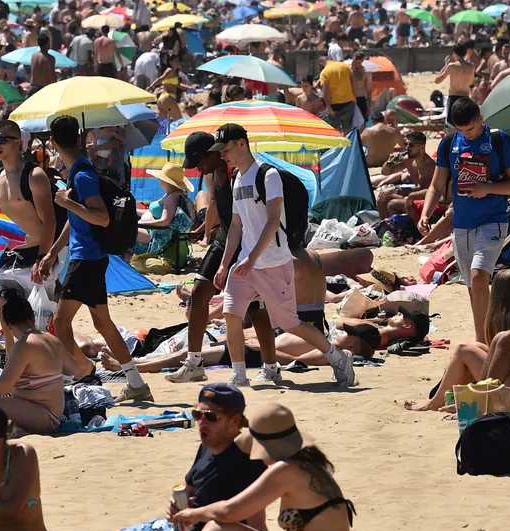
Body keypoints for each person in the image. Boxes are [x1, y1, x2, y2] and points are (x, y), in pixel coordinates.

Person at [74, 403, 355, 531]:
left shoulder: (287, 469)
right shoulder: (308, 467)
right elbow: (253, 515)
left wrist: (192, 514)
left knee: (221, 530)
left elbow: (231, 512)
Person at [211, 124, 356, 387]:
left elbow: (273, 220)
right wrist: (224, 264)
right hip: (246, 264)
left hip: (273, 263)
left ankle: (337, 357)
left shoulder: (269, 176)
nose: (223, 155)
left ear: (242, 144)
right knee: (231, 314)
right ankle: (239, 375)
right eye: (220, 151)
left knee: (289, 323)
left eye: (227, 149)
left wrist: (252, 258)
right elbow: (235, 226)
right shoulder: (236, 179)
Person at [60, 383, 268, 531]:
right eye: (197, 415)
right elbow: (189, 487)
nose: (201, 422)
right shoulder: (208, 444)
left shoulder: (247, 463)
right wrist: (176, 503)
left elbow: (257, 526)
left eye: (211, 417)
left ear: (234, 420)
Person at [38, 116, 151, 403]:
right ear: (79, 139)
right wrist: (53, 251)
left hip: (86, 259)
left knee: (61, 323)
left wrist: (67, 202)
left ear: (52, 142)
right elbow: (78, 219)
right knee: (102, 324)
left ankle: (82, 374)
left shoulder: (83, 176)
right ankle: (135, 382)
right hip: (89, 258)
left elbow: (100, 217)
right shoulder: (77, 172)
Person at [165, 132, 276, 385]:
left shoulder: (235, 173)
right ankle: (194, 363)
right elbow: (215, 203)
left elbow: (249, 216)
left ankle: (271, 367)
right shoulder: (213, 174)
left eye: (200, 161)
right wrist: (204, 228)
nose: (198, 167)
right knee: (199, 293)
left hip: (244, 243)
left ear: (215, 152)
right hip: (223, 238)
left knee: (256, 308)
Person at [417, 97, 510, 345]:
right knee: (472, 287)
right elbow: (436, 184)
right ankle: (486, 340)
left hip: (493, 220)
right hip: (462, 225)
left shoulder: (499, 140)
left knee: (478, 278)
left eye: (471, 129)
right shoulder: (449, 142)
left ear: (481, 119)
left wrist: (488, 188)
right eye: (462, 130)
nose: (467, 134)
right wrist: (426, 213)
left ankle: (488, 342)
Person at [404, 269, 510, 411]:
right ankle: (456, 396)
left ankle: (436, 402)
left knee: (463, 349)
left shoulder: (506, 321)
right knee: (475, 346)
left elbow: (502, 363)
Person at [0, 119, 61, 337]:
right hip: (9, 256)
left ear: (17, 142)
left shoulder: (34, 176)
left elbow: (50, 221)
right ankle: (14, 365)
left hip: (36, 254)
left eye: (2, 139)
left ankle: (52, 366)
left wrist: (42, 258)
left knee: (43, 322)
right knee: (6, 318)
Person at [0, 290, 76, 435]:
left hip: (44, 416)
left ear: (7, 322)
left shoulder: (25, 345)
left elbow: (2, 388)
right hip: (51, 413)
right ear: (32, 316)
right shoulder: (49, 339)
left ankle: (17, 432)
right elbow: (73, 369)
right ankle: (17, 431)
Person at [133, 162, 193, 256]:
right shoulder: (172, 194)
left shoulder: (172, 198)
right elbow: (155, 212)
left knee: (119, 228)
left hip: (153, 237)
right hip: (151, 231)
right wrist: (133, 211)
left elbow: (165, 221)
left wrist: (138, 224)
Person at [374, 131, 434, 219]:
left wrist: (395, 189)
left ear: (422, 147)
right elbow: (385, 172)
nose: (407, 148)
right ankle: (387, 227)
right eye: (406, 144)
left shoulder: (429, 166)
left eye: (411, 145)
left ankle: (397, 229)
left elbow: (422, 189)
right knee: (381, 198)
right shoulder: (408, 160)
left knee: (392, 204)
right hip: (412, 196)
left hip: (425, 201)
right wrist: (389, 162)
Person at [435, 42, 475, 127]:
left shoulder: (451, 66)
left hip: (454, 98)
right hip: (465, 98)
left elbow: (437, 80)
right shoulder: (471, 66)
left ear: (454, 53)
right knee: (465, 125)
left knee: (451, 127)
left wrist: (445, 65)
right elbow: (471, 83)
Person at [319, 58, 358, 134]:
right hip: (348, 102)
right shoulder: (345, 66)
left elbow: (325, 90)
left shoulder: (325, 72)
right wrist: (354, 96)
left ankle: (338, 145)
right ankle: (347, 145)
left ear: (322, 63)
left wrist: (328, 106)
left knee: (335, 131)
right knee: (347, 130)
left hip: (334, 105)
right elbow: (354, 81)